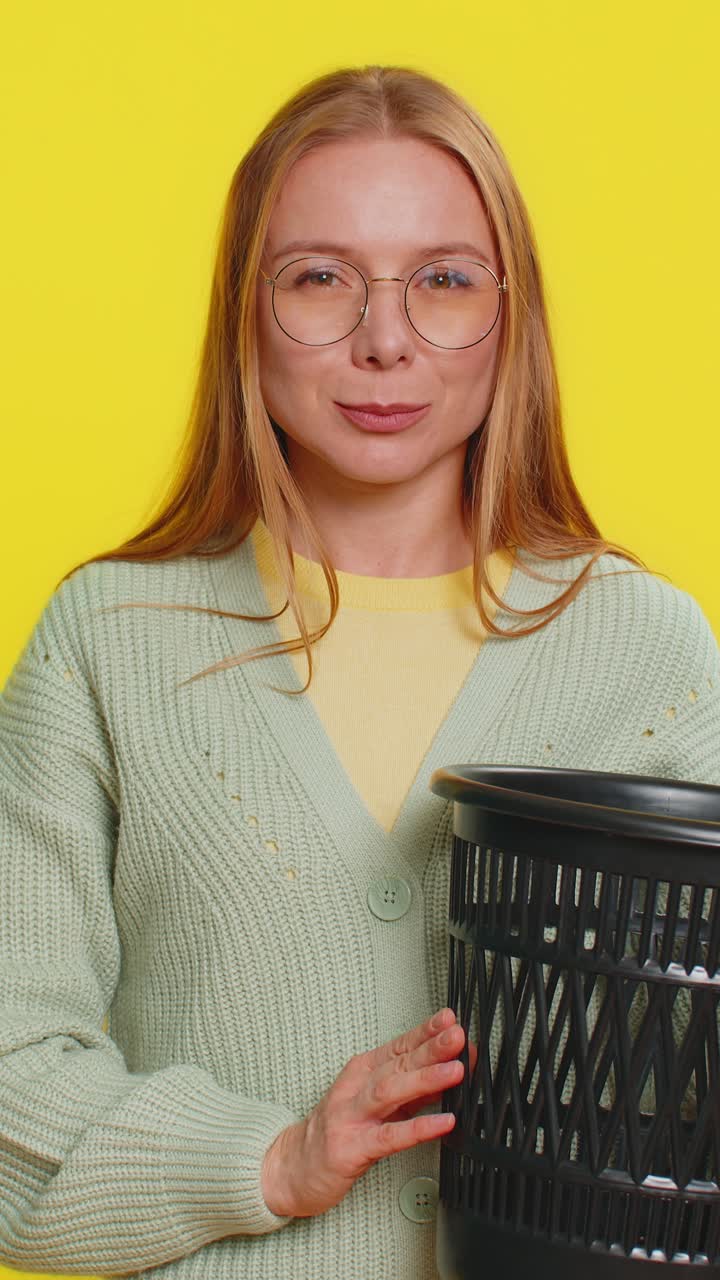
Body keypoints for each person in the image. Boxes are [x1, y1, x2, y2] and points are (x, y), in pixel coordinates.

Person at [1, 62, 718, 1280]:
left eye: (444, 281)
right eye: (319, 279)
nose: (385, 340)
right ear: (244, 312)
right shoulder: (108, 637)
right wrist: (272, 1158)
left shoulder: (648, 651)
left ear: (513, 312)